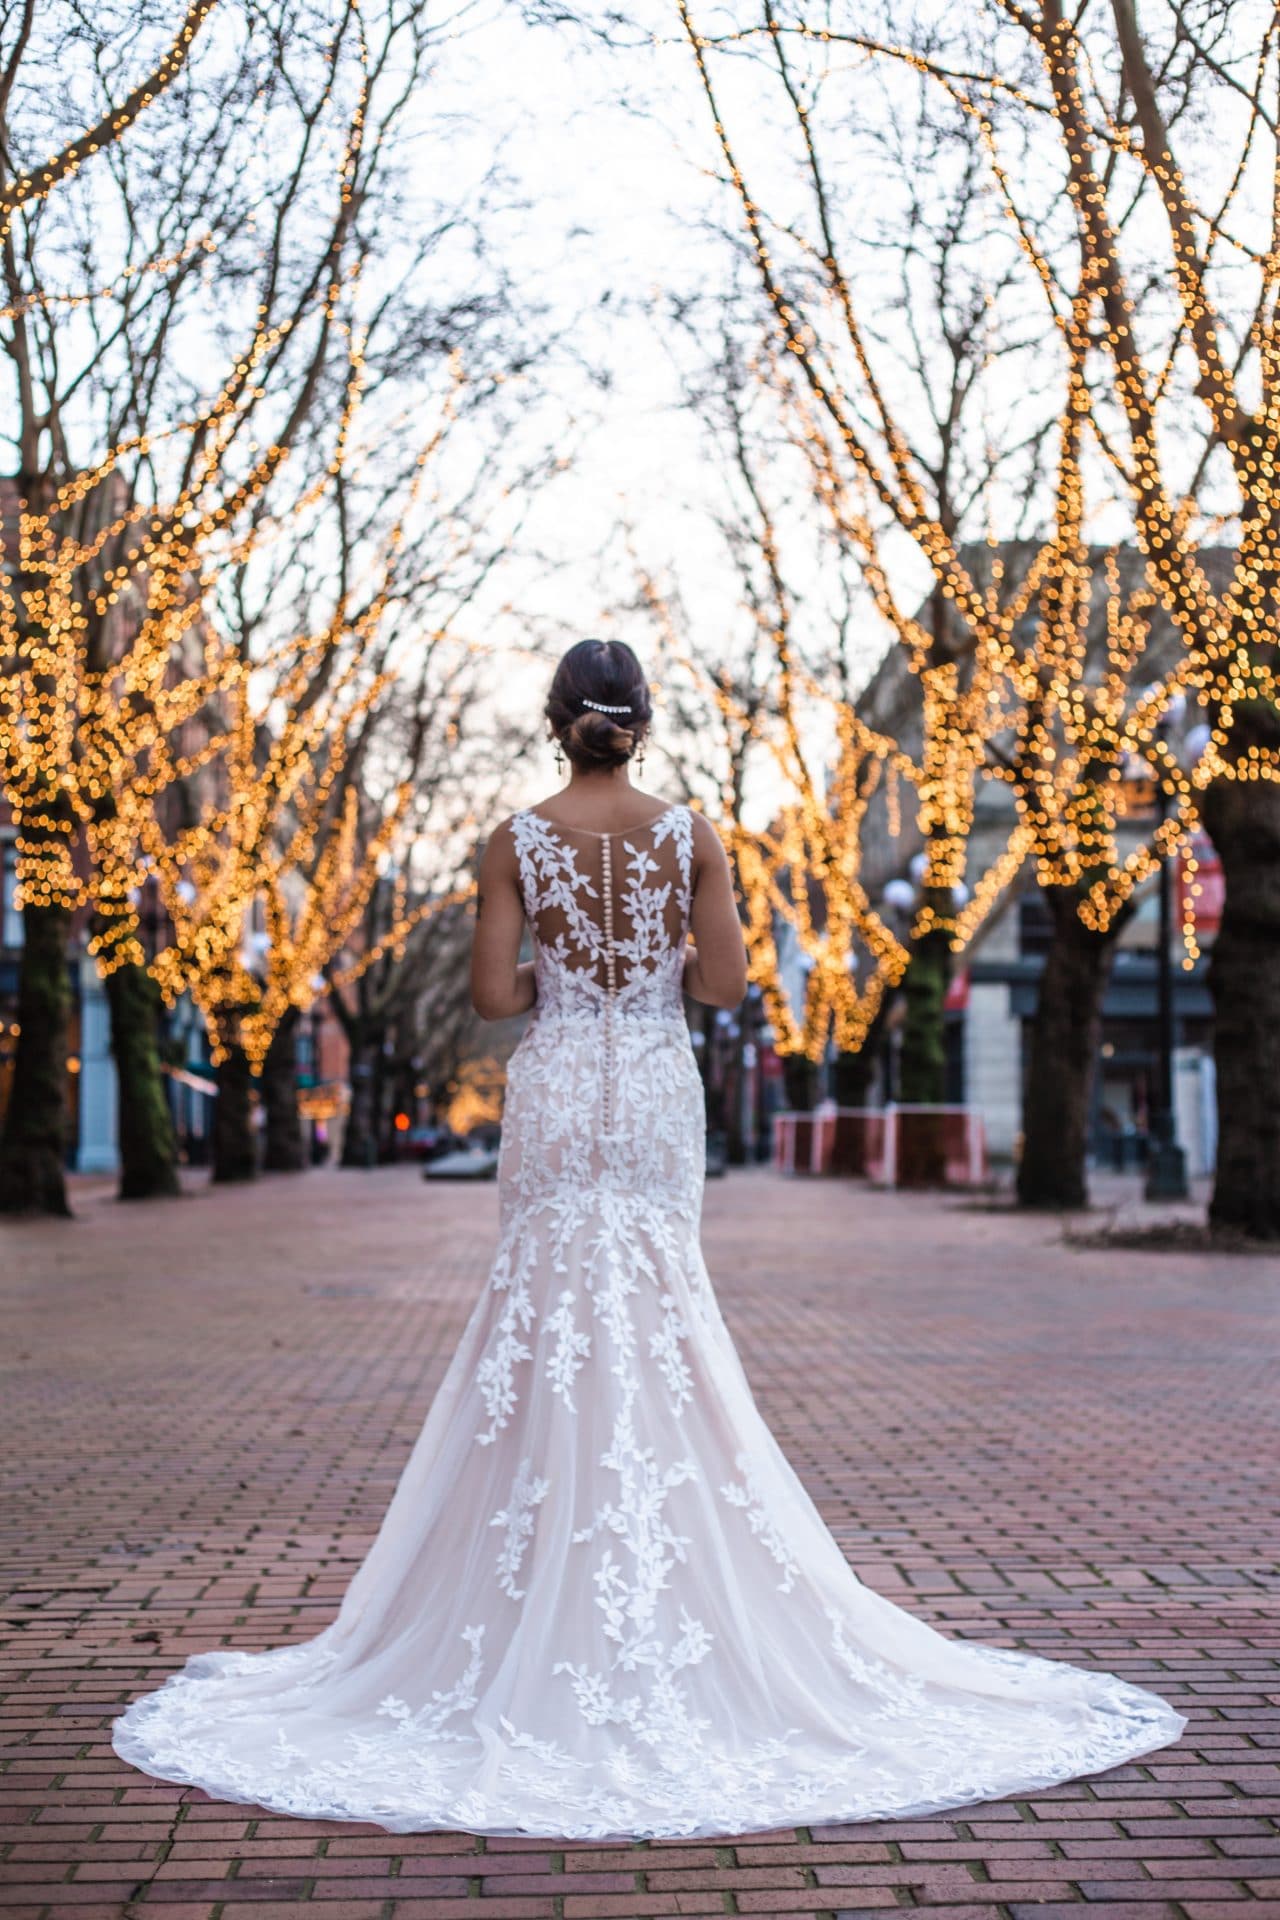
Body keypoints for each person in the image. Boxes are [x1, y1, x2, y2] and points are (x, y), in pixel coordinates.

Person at [112, 638, 1185, 1840]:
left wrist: (558, 961)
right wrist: (664, 956)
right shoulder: (693, 838)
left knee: (542, 1315)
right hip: (654, 1095)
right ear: (643, 723)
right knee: (663, 1313)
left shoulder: (512, 840)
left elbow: (490, 998)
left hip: (563, 1088)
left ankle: (529, 1587)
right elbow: (724, 990)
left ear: (555, 720)